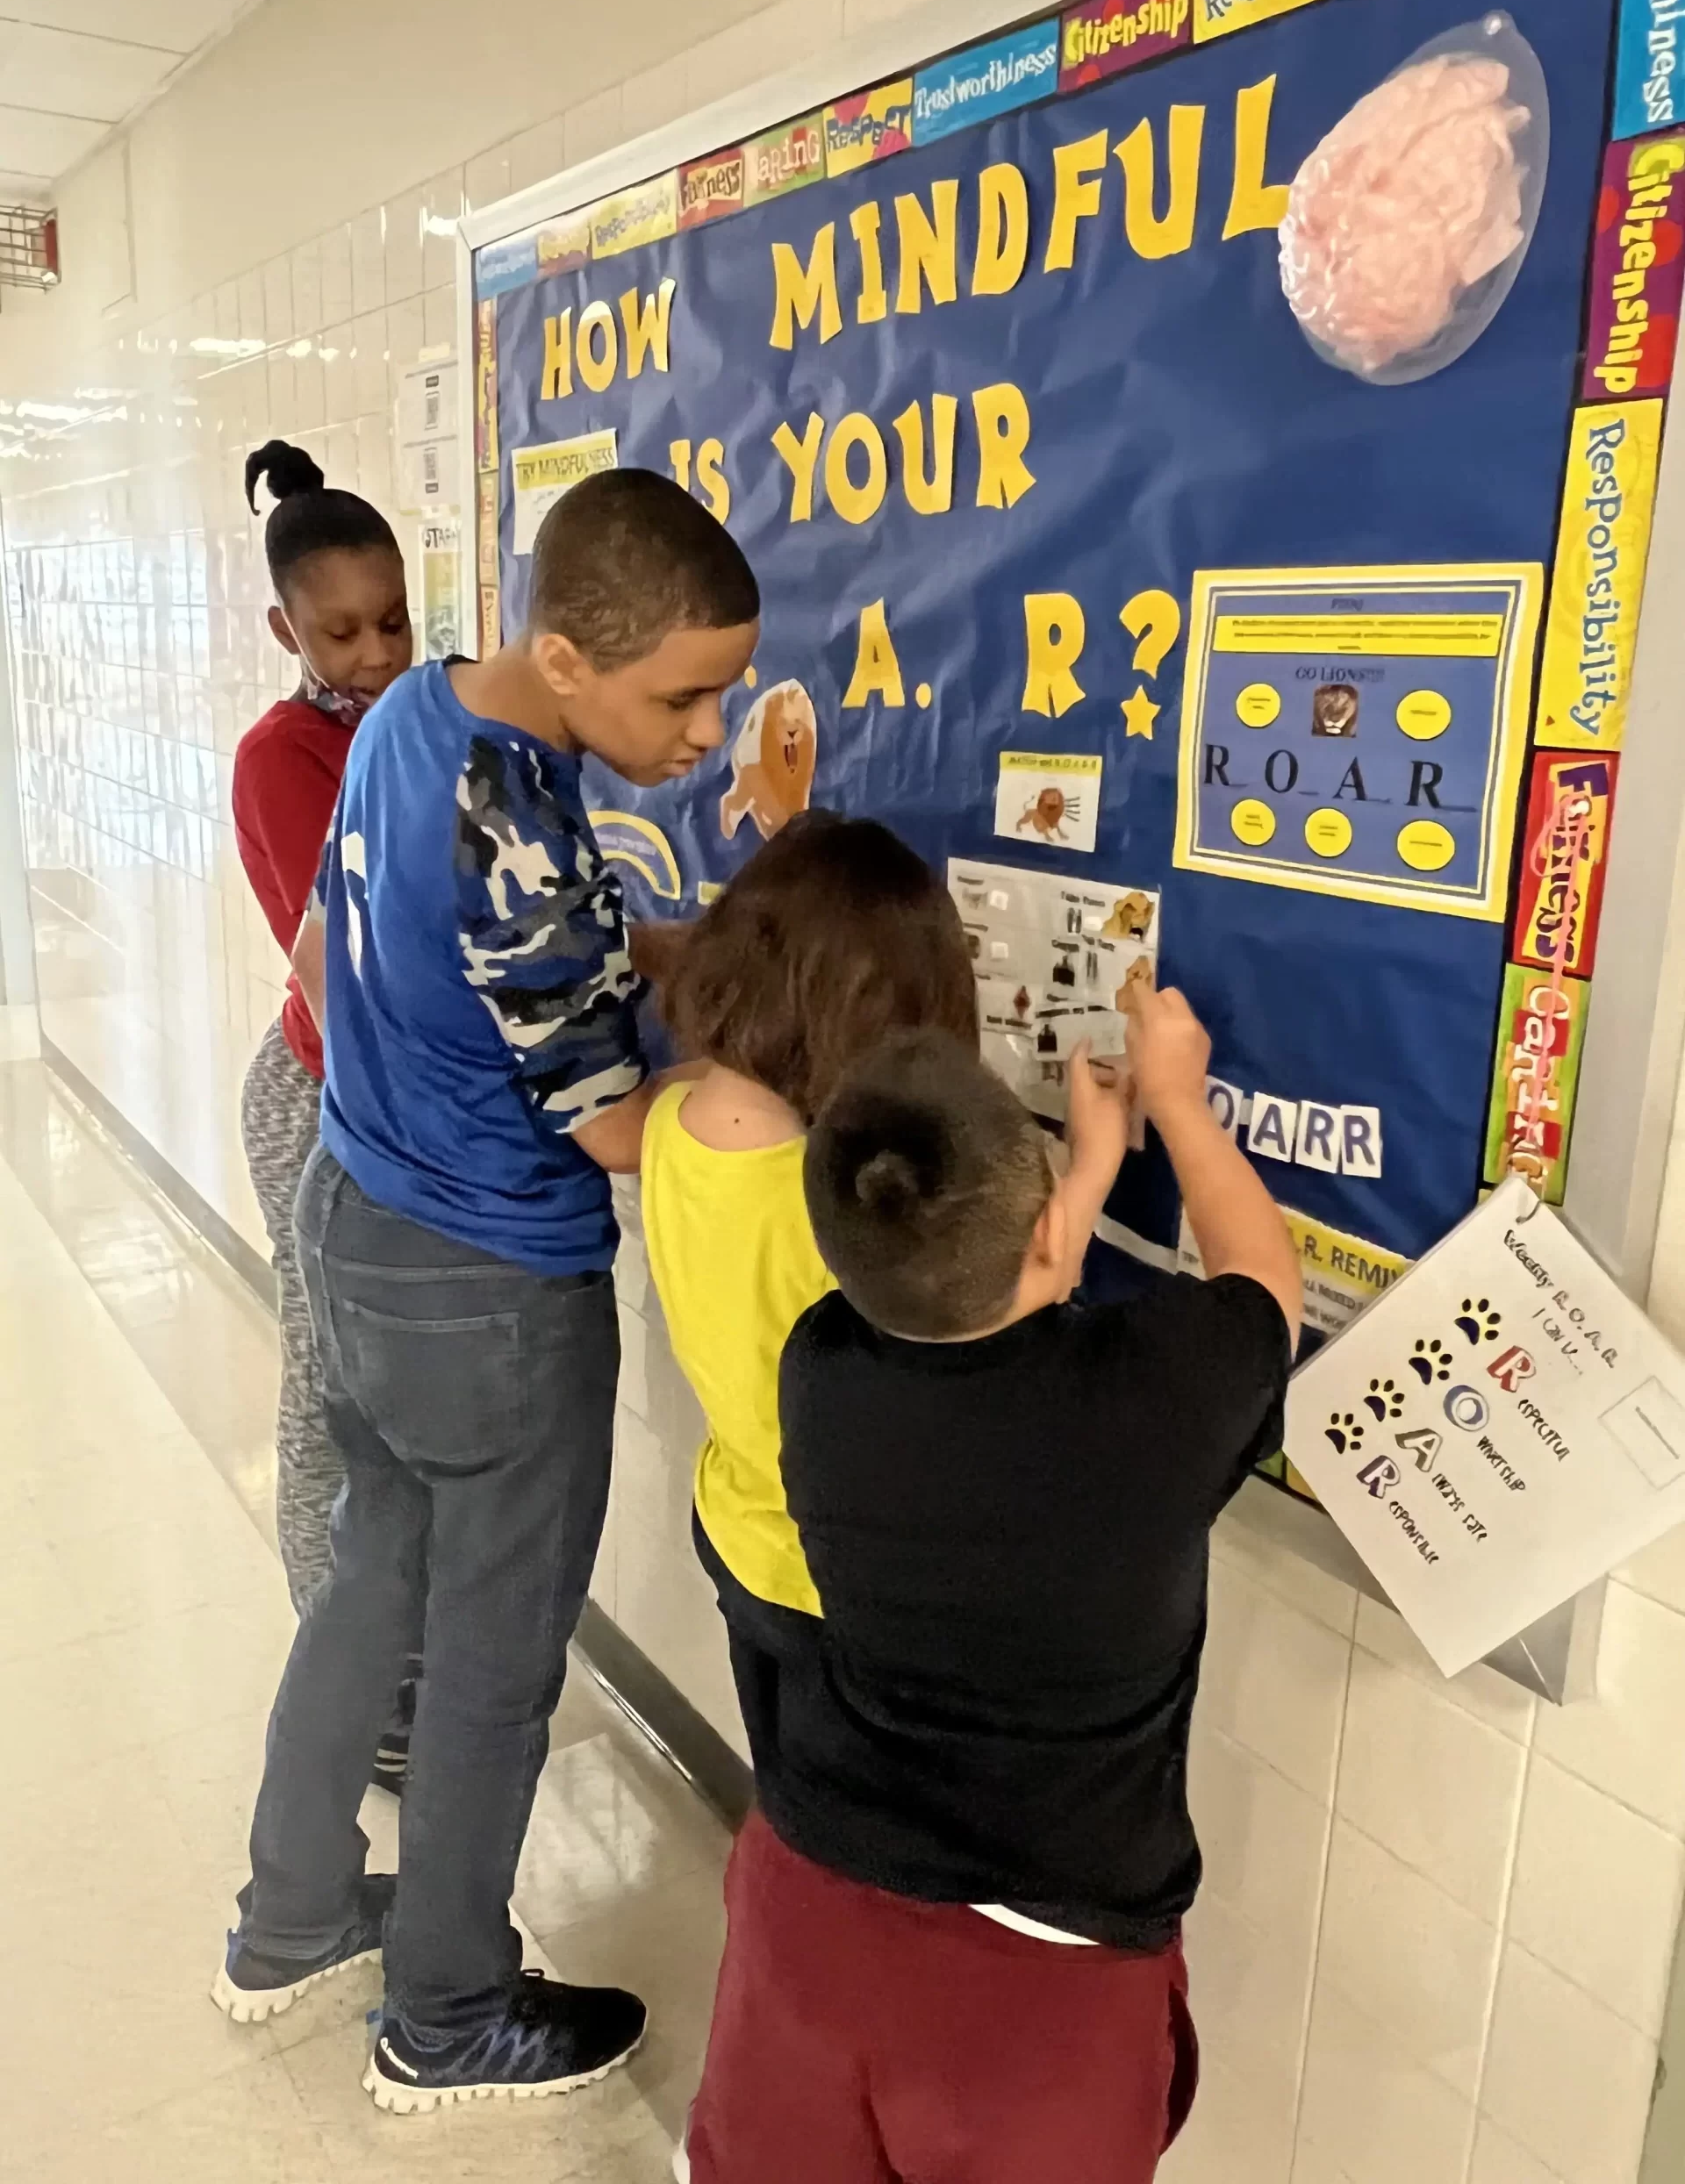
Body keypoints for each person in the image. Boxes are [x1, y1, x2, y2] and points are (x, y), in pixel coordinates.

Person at [212, 469, 761, 2115]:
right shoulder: (521, 819)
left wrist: (675, 942)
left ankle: (294, 1919)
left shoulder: (410, 722)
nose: (710, 733)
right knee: (493, 1662)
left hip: (359, 1221)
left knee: (374, 1590)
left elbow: (396, 956)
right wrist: (769, 1074)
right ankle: (445, 2017)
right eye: (684, 696)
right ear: (573, 658)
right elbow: (611, 1129)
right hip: (490, 1291)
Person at [686, 989, 1302, 2184]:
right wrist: (1174, 1104)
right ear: (1041, 1233)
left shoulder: (821, 1367)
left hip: (806, 1910)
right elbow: (1263, 1283)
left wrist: (1084, 1167)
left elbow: (961, 1298)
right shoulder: (1150, 1406)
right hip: (1035, 1980)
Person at [639, 812, 978, 1817]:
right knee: (864, 1838)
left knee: (791, 1802)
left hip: (739, 1530)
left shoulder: (669, 1122)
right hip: (840, 1578)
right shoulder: (834, 1204)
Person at [232, 440, 422, 1788]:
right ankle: (351, 1685)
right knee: (327, 1394)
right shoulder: (283, 756)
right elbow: (346, 964)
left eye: (394, 622)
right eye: (340, 631)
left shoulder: (424, 722)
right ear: (284, 629)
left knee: (398, 1396)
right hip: (321, 1100)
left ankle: (400, 1656)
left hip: (404, 1100)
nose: (372, 653)